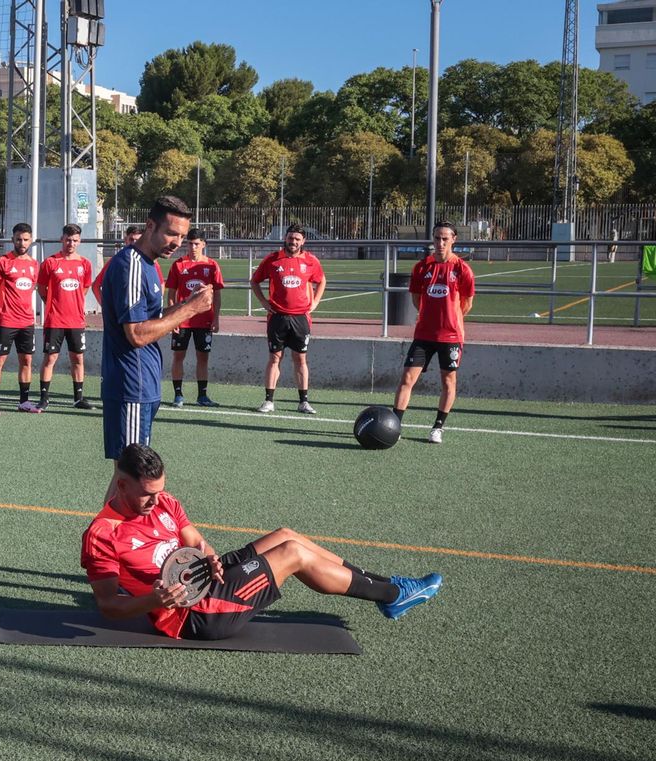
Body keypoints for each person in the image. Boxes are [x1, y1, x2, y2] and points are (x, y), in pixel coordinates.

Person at [82, 445, 443, 640]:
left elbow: (194, 540)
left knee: (286, 535)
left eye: (160, 491)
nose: (156, 501)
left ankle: (388, 584)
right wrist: (153, 599)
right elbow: (108, 605)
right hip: (194, 615)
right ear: (122, 484)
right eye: (148, 495)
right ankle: (394, 597)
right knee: (292, 554)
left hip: (206, 581)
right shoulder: (102, 534)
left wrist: (210, 557)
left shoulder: (166, 502)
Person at [97, 196, 213, 454]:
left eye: (182, 236)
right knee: (135, 475)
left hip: (143, 383)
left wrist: (185, 304)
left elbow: (152, 317)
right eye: (171, 233)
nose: (178, 243)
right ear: (150, 225)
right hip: (132, 384)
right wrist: (190, 309)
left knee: (129, 475)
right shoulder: (132, 265)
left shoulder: (148, 264)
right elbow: (137, 334)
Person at [392, 221, 476, 446]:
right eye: (437, 238)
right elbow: (417, 299)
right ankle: (395, 425)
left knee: (448, 381)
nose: (440, 243)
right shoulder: (421, 267)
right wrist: (430, 316)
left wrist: (450, 318)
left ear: (453, 240)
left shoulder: (462, 269)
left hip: (451, 336)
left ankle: (438, 427)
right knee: (407, 378)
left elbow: (467, 304)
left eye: (445, 239)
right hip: (423, 335)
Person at [250, 224, 326, 414]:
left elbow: (322, 280)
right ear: (285, 238)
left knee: (300, 359)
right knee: (275, 358)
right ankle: (268, 401)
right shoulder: (273, 259)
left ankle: (303, 402)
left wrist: (315, 301)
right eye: (291, 238)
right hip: (277, 317)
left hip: (301, 317)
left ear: (303, 241)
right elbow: (255, 281)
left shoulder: (310, 261)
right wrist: (263, 302)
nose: (293, 242)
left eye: (297, 239)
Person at [164, 227, 224, 408]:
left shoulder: (212, 265)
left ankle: (202, 396)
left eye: (197, 244)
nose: (193, 247)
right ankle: (178, 394)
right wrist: (173, 317)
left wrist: (216, 318)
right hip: (182, 320)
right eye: (190, 243)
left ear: (204, 245)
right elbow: (172, 293)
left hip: (204, 320)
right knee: (178, 356)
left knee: (203, 357)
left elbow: (218, 294)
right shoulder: (179, 265)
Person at [36, 223, 94, 411]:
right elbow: (42, 289)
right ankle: (44, 398)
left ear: (80, 241)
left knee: (78, 358)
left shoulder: (84, 264)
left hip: (76, 320)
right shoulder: (50, 263)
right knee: (50, 358)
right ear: (62, 239)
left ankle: (78, 398)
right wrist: (54, 304)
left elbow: (84, 288)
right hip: (55, 320)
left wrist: (73, 303)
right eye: (68, 239)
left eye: (75, 240)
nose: (71, 243)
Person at [0, 222, 40, 415]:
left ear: (31, 240)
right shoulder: (2, 262)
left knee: (26, 361)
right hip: (6, 320)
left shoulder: (34, 265)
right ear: (12, 240)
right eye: (18, 239)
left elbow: (29, 289)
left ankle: (24, 402)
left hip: (27, 321)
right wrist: (5, 302)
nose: (22, 242)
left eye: (25, 239)